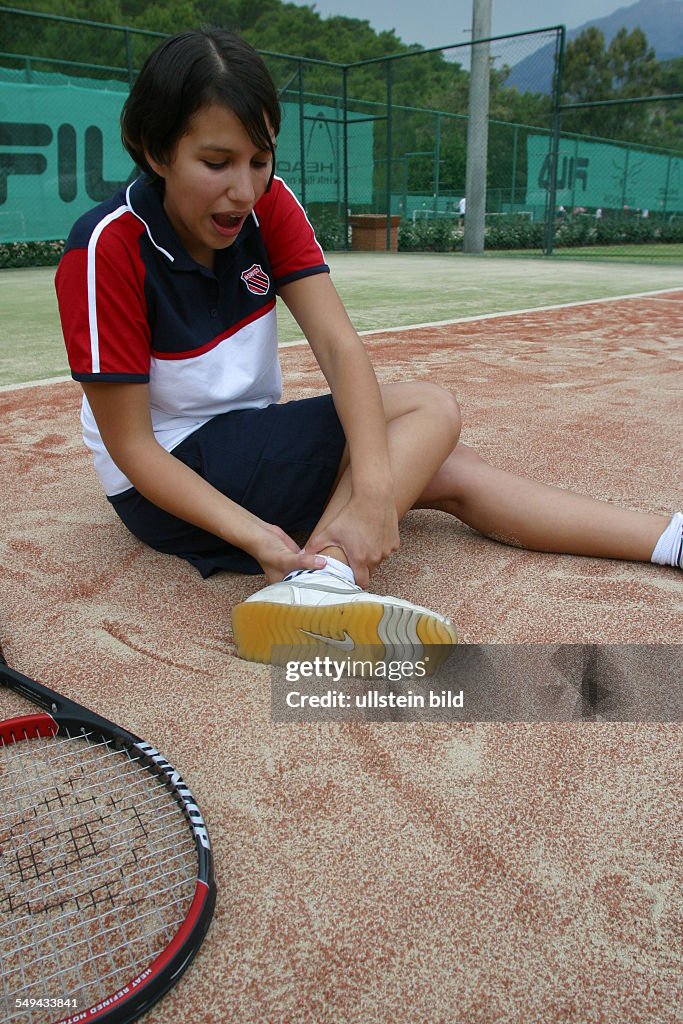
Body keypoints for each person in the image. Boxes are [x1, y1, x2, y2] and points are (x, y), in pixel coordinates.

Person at [55, 30, 682, 668]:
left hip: (244, 440)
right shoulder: (106, 249)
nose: (244, 189)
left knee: (437, 467)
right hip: (169, 477)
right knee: (427, 412)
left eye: (259, 160)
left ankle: (670, 538)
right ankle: (322, 579)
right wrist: (260, 537)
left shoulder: (269, 207)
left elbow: (338, 343)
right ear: (159, 152)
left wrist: (378, 487)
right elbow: (133, 448)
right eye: (217, 163)